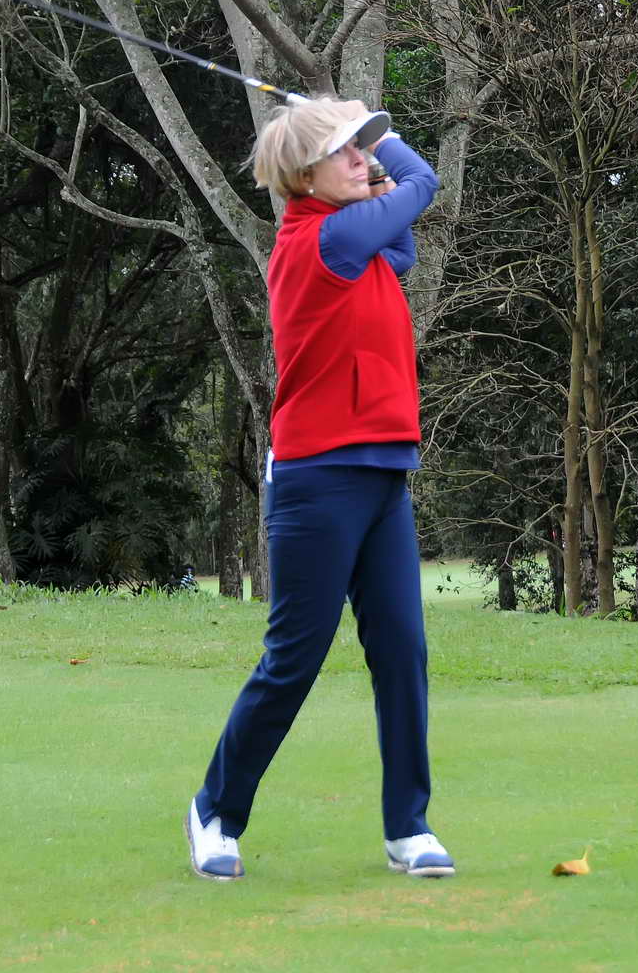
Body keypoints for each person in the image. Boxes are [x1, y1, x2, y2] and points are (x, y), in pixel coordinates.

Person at [184, 97, 451, 882]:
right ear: (304, 176)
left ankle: (408, 827)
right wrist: (385, 141)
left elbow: (401, 242)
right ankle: (214, 812)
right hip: (317, 479)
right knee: (294, 660)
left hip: (382, 475)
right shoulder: (322, 240)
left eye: (365, 149)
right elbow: (422, 181)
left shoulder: (355, 241)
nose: (364, 160)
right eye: (346, 152)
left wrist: (359, 153)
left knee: (401, 651)